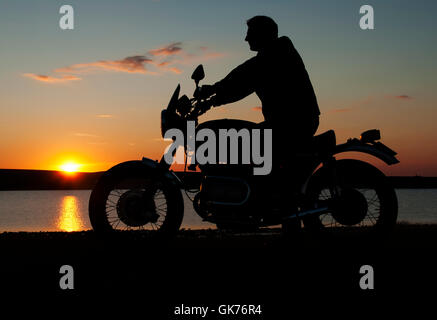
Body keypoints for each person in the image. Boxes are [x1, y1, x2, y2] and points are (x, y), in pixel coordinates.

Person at [199, 15, 321, 192]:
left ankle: (248, 194)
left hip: (293, 124)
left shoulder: (276, 54)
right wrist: (212, 97)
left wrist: (212, 96)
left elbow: (245, 77)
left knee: (236, 140)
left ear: (263, 34)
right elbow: (242, 80)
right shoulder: (273, 55)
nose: (246, 38)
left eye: (250, 33)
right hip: (289, 123)